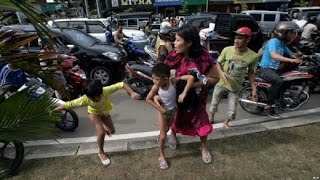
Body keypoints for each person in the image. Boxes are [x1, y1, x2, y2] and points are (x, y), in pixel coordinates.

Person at [160, 25, 220, 164]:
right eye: (174, 39)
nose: (174, 43)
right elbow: (162, 74)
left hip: (197, 99)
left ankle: (204, 147)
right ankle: (173, 135)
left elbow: (214, 78)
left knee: (201, 122)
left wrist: (193, 84)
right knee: (176, 116)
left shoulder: (204, 56)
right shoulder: (174, 55)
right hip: (178, 97)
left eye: (177, 40)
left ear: (189, 43)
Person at [54, 79, 140, 165]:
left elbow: (121, 84)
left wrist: (132, 93)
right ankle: (101, 152)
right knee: (101, 132)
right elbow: (69, 104)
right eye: (92, 97)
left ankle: (104, 128)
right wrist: (54, 110)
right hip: (94, 113)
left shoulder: (106, 90)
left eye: (98, 96)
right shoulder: (84, 99)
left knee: (111, 131)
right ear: (87, 96)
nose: (96, 98)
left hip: (104, 111)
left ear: (101, 91)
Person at [146, 63, 195, 170]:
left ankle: (160, 135)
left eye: (157, 79)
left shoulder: (173, 81)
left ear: (166, 78)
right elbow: (148, 99)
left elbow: (190, 78)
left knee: (169, 128)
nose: (154, 81)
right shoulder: (156, 86)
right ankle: (161, 156)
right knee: (164, 136)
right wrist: (161, 110)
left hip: (173, 111)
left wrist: (184, 93)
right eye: (153, 78)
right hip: (163, 112)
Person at [208, 27, 259, 128]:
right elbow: (218, 63)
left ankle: (226, 122)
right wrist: (221, 73)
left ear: (247, 40)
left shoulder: (253, 56)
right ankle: (211, 117)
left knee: (233, 106)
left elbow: (251, 74)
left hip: (236, 86)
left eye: (240, 38)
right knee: (214, 102)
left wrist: (254, 91)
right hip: (222, 83)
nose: (236, 40)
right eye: (235, 38)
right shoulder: (227, 50)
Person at [259, 22, 302, 118]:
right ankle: (268, 106)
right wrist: (292, 60)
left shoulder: (282, 44)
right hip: (266, 69)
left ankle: (280, 100)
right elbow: (274, 55)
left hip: (275, 69)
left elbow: (292, 54)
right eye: (291, 33)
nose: (293, 35)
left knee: (288, 79)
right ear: (284, 33)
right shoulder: (273, 42)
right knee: (278, 81)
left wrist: (304, 56)